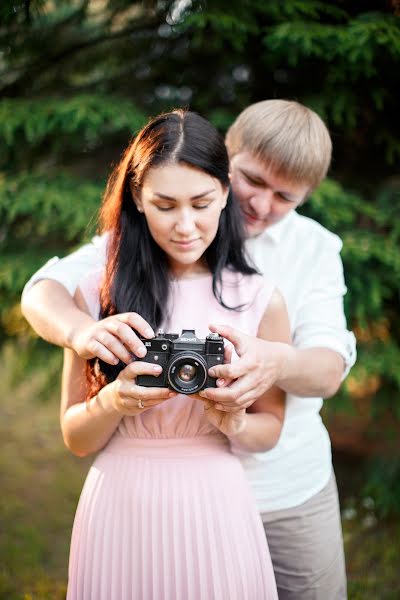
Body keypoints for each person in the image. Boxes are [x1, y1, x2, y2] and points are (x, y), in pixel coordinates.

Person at [22, 100, 356, 599]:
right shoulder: (127, 253)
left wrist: (272, 361)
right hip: (137, 493)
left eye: (285, 195)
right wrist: (85, 335)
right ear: (227, 160)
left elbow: (328, 370)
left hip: (285, 483)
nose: (261, 205)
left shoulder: (308, 254)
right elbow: (43, 291)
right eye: (254, 181)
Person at [58, 109, 289, 599]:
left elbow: (271, 428)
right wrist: (115, 402)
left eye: (202, 203)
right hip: (119, 504)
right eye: (165, 205)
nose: (186, 225)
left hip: (216, 504)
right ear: (137, 198)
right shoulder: (96, 294)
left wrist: (236, 423)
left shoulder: (262, 299)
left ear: (226, 193)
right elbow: (75, 437)